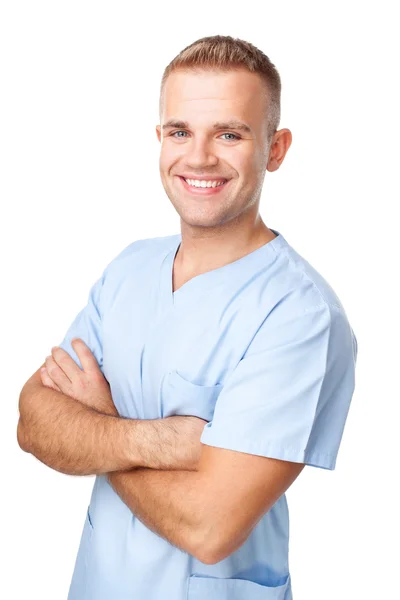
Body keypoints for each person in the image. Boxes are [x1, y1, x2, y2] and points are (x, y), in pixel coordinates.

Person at [17, 35, 358, 600]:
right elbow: (33, 422)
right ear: (160, 140)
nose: (199, 157)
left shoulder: (300, 316)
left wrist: (100, 426)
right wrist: (169, 442)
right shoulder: (129, 269)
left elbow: (209, 527)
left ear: (275, 148)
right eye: (180, 132)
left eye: (229, 133)